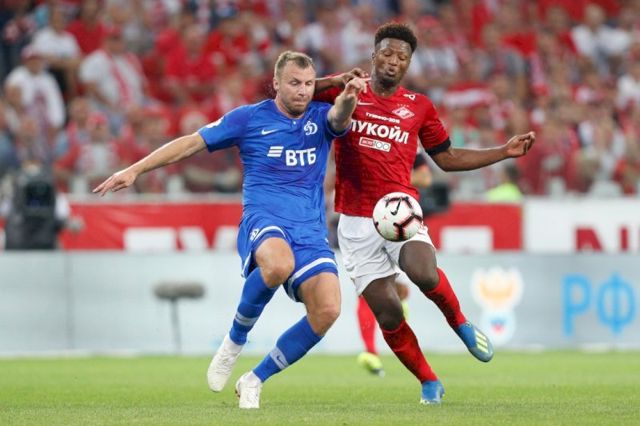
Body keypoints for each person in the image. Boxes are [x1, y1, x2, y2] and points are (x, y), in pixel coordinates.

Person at [93, 51, 366, 409]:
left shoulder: (320, 116)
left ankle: (254, 379)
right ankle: (235, 340)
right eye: (294, 83)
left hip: (310, 231)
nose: (302, 90)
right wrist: (135, 169)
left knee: (328, 310)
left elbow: (339, 115)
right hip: (264, 219)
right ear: (276, 84)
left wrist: (348, 96)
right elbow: (191, 142)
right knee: (278, 264)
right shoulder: (248, 119)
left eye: (308, 84)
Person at [315, 22, 536, 404]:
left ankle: (460, 323)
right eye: (387, 53)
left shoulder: (419, 106)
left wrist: (503, 151)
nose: (393, 61)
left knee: (422, 271)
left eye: (402, 57)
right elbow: (295, 93)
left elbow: (447, 158)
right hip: (354, 220)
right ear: (373, 55)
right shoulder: (348, 90)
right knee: (388, 314)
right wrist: (332, 80)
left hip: (399, 209)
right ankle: (429, 380)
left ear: (409, 64)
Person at [356, 149, 432, 377]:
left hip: (398, 224)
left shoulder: (410, 146)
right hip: (364, 220)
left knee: (398, 289)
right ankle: (370, 352)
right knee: (366, 289)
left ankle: (395, 323)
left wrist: (388, 177)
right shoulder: (367, 142)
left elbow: (425, 178)